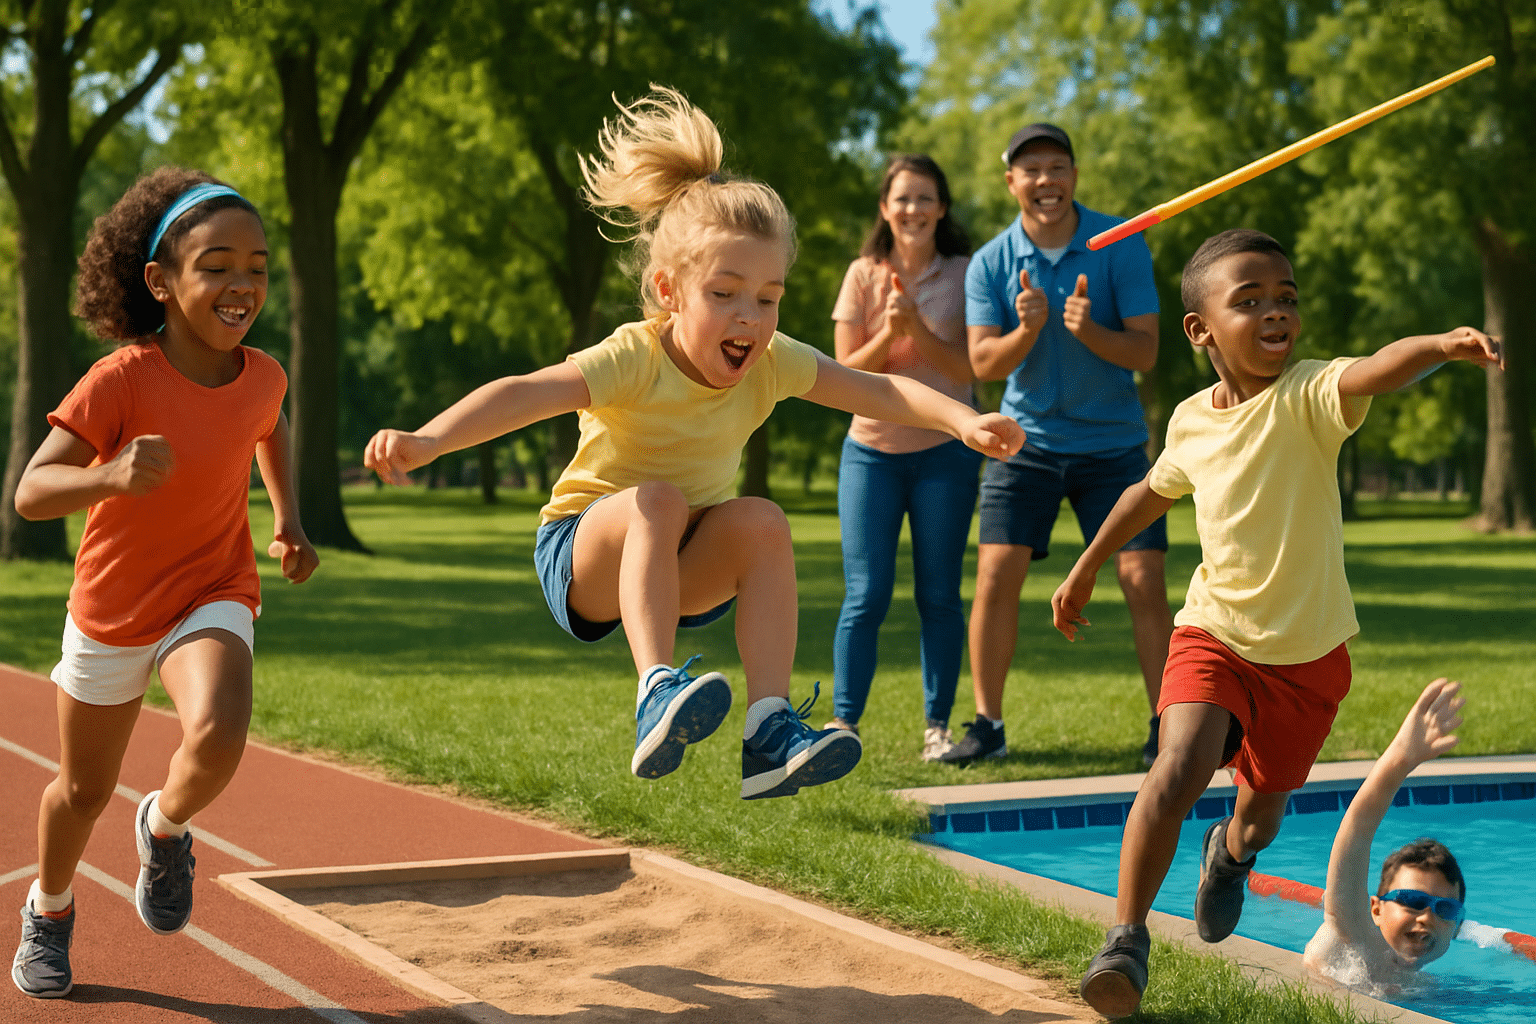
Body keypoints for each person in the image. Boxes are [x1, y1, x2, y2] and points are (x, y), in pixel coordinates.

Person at [363, 87, 1024, 801]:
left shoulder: (770, 364)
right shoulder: (633, 356)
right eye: (727, 294)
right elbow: (525, 392)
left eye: (768, 298)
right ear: (669, 291)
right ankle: (654, 689)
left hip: (684, 563)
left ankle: (768, 730)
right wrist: (429, 439)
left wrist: (962, 422)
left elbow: (879, 392)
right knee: (656, 500)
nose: (751, 316)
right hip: (584, 554)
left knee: (764, 520)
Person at [1051, 227, 1502, 1018]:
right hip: (1214, 633)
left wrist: (1438, 343)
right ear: (1200, 330)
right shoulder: (1192, 421)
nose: (1275, 313)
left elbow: (1377, 367)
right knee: (1179, 761)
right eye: (1249, 300)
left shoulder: (1311, 393)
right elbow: (1145, 496)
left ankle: (1228, 855)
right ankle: (1125, 940)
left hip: (1307, 658)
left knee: (1259, 817)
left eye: (1286, 298)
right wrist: (1086, 566)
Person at [10, 168, 318, 1000]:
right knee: (80, 791)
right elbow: (31, 493)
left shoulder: (262, 374)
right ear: (161, 281)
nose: (241, 285)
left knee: (218, 731)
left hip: (213, 585)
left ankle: (165, 826)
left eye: (256, 266)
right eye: (216, 265)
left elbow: (269, 421)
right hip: (112, 611)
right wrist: (107, 476)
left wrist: (286, 517)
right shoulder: (122, 379)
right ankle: (50, 907)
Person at [947, 122, 1171, 766]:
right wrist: (1028, 331)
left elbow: (1147, 351)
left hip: (1114, 445)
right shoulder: (992, 260)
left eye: (1057, 167)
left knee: (1141, 576)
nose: (1046, 181)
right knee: (995, 573)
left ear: (1074, 175)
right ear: (1011, 181)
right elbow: (985, 364)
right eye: (1031, 170)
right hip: (1027, 443)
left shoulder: (1120, 242)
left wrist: (1088, 330)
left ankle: (1165, 727)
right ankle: (987, 726)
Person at [825, 154, 978, 761]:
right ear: (884, 209)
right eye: (901, 199)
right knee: (866, 595)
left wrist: (915, 326)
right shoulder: (863, 275)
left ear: (942, 208)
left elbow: (967, 371)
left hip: (946, 453)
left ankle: (936, 727)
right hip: (871, 455)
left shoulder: (967, 273)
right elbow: (838, 376)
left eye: (925, 198)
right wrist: (889, 335)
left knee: (938, 596)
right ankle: (843, 725)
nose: (912, 209)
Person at [1304, 678, 1467, 989]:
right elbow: (1357, 831)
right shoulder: (1354, 937)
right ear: (1375, 909)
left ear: (1456, 927)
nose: (1426, 917)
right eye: (1412, 900)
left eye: (1445, 908)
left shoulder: (1420, 984)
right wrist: (1398, 760)